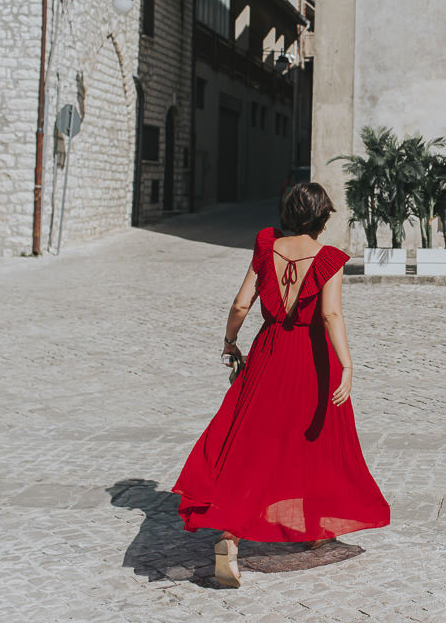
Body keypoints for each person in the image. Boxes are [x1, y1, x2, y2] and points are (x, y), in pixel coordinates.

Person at [173, 183, 390, 588]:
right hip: (313, 358)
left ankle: (231, 538)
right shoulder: (329, 258)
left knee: (253, 442)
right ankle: (312, 529)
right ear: (323, 218)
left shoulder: (266, 245)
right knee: (314, 437)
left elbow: (241, 304)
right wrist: (347, 364)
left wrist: (229, 343)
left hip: (268, 353)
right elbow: (331, 316)